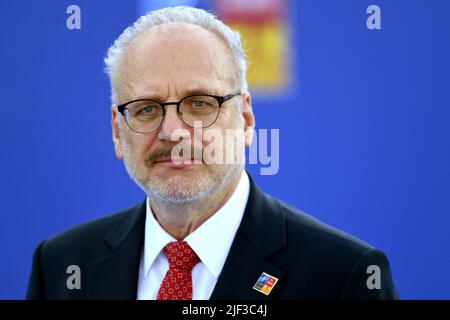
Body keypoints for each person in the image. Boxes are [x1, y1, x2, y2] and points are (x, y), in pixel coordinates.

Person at [26, 6, 398, 300]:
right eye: (146, 109)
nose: (172, 132)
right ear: (117, 131)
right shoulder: (61, 266)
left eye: (200, 103)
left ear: (246, 119)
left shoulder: (343, 276)